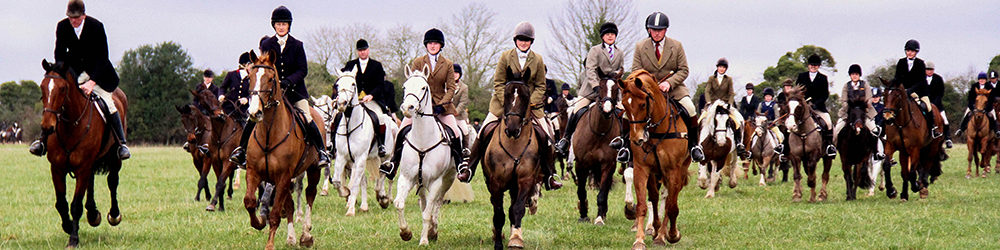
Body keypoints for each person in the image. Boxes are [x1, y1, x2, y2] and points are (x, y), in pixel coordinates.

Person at [457, 22, 563, 190]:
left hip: (531, 106)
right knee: (483, 131)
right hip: (503, 105)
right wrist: (509, 103)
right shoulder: (506, 56)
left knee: (546, 134)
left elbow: (541, 86)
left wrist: (528, 103)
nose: (523, 43)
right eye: (520, 40)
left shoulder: (537, 59)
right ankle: (469, 169)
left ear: (531, 42)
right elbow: (498, 83)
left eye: (527, 40)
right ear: (515, 40)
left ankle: (550, 176)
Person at [230, 5, 328, 166]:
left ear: (289, 25)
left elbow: (303, 69)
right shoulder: (267, 44)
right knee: (253, 115)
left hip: (295, 92)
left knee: (307, 116)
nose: (281, 27)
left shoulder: (297, 45)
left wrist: (288, 81)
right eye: (278, 24)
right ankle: (241, 151)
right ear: (274, 25)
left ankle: (322, 152)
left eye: (284, 24)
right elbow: (263, 66)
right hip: (270, 93)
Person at [31, 0, 130, 159]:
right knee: (55, 100)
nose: (73, 21)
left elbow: (103, 57)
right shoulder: (62, 26)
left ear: (84, 15)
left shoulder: (96, 27)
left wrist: (92, 82)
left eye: (76, 18)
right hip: (74, 72)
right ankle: (42, 141)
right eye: (70, 18)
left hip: (98, 73)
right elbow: (59, 54)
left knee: (109, 102)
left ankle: (121, 144)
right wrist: (61, 73)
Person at [381, 28, 465, 179]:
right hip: (419, 108)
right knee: (401, 131)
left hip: (441, 107)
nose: (432, 46)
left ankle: (460, 165)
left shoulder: (447, 64)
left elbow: (451, 88)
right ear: (426, 45)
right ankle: (393, 164)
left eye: (436, 43)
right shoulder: (418, 62)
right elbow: (412, 83)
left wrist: (443, 104)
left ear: (441, 45)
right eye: (430, 43)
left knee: (456, 131)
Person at [628, 12, 703, 161]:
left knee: (690, 108)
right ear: (649, 30)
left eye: (660, 30)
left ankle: (694, 145)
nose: (656, 33)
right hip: (647, 91)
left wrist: (669, 82)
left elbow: (683, 70)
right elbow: (635, 71)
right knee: (627, 111)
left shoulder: (676, 46)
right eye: (653, 29)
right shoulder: (640, 46)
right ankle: (625, 146)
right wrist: (649, 85)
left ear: (666, 30)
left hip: (674, 89)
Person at [555, 22, 625, 158]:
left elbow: (621, 68)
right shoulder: (595, 50)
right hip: (592, 90)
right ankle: (566, 139)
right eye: (607, 34)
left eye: (612, 34)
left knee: (623, 112)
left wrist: (617, 75)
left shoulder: (619, 52)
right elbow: (590, 70)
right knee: (576, 110)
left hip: (611, 91)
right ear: (603, 37)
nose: (610, 36)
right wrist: (596, 86)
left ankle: (623, 144)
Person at [339, 38, 389, 156]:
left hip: (371, 100)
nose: (362, 52)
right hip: (353, 102)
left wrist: (371, 95)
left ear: (368, 50)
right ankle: (333, 145)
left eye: (364, 50)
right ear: (357, 51)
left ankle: (381, 145)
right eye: (360, 50)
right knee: (338, 117)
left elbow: (381, 85)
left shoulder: (377, 66)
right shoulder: (350, 65)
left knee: (380, 118)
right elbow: (343, 81)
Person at [832, 64, 882, 160]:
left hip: (864, 112)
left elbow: (868, 98)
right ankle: (833, 149)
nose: (854, 76)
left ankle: (876, 152)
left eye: (856, 74)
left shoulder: (865, 85)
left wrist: (864, 107)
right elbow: (844, 100)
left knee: (874, 130)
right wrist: (849, 108)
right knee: (836, 130)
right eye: (852, 74)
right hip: (849, 112)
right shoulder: (846, 86)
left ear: (859, 75)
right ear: (850, 75)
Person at [894, 39, 941, 139]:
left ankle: (933, 128)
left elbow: (921, 82)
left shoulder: (920, 64)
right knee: (893, 106)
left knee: (928, 107)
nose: (909, 53)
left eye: (912, 51)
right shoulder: (901, 62)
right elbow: (897, 78)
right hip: (904, 92)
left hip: (919, 92)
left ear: (916, 52)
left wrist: (910, 90)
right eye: (908, 51)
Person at [701, 57, 746, 156]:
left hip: (725, 104)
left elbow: (731, 93)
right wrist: (708, 102)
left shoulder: (729, 79)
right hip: (712, 104)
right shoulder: (711, 79)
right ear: (717, 68)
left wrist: (729, 104)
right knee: (700, 120)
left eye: (723, 67)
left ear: (726, 69)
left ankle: (738, 143)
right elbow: (707, 91)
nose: (722, 69)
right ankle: (696, 145)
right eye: (720, 67)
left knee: (738, 121)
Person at [443, 63, 474, 203]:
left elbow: (463, 102)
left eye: (457, 73)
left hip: (458, 116)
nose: (455, 75)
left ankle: (465, 149)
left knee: (464, 129)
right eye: (453, 73)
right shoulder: (445, 85)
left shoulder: (464, 87)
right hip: (445, 115)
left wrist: (455, 111)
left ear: (460, 75)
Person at [955, 72, 997, 138]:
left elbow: (992, 99)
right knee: (966, 114)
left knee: (993, 116)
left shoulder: (989, 87)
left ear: (986, 80)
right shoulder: (974, 86)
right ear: (978, 80)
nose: (982, 80)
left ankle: (997, 131)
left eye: (983, 79)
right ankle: (961, 129)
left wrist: (986, 108)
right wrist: (973, 107)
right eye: (980, 79)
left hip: (987, 107)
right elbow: (970, 97)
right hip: (975, 106)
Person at [219, 52, 252, 122]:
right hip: (229, 107)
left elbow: (254, 93)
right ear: (245, 65)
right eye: (251, 65)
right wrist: (221, 95)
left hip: (243, 110)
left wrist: (247, 99)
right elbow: (222, 87)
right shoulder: (231, 75)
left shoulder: (252, 78)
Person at [926, 62, 952, 148]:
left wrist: (934, 103)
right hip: (924, 103)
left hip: (937, 104)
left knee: (945, 120)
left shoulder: (938, 79)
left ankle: (948, 139)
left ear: (933, 70)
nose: (929, 71)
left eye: (931, 70)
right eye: (927, 69)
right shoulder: (921, 78)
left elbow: (940, 93)